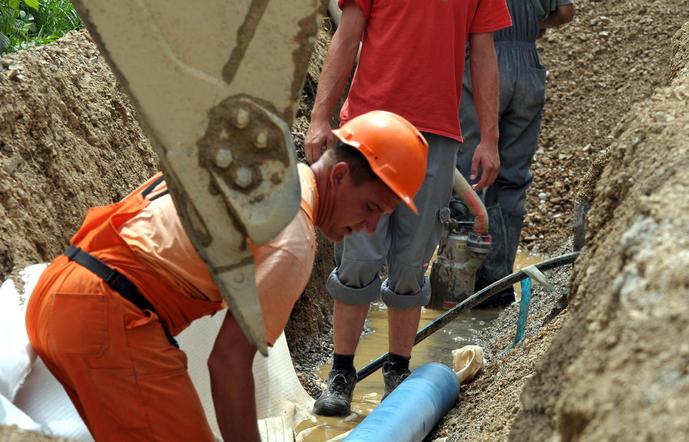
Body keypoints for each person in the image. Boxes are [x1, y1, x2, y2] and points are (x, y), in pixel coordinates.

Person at [25, 110, 428, 442]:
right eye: (371, 207)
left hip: (58, 292)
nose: (370, 227)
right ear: (339, 175)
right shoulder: (292, 237)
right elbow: (228, 365)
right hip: (108, 320)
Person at [305, 0, 512, 417]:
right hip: (369, 128)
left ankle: (397, 371)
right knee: (359, 256)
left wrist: (489, 138)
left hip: (435, 134)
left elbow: (485, 52)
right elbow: (348, 35)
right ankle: (342, 373)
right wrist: (319, 116)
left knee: (411, 262)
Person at [455, 0, 575, 304]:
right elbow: (565, 12)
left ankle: (457, 283)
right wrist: (534, 24)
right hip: (527, 65)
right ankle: (496, 286)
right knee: (512, 179)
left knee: (465, 173)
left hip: (480, 60)